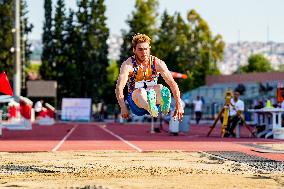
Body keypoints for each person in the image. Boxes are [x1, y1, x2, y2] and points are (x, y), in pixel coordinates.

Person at [115, 33, 184, 121]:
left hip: (154, 99)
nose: (144, 52)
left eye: (145, 49)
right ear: (134, 50)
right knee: (140, 91)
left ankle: (161, 106)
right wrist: (123, 106)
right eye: (140, 49)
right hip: (136, 104)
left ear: (149, 49)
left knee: (160, 87)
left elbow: (172, 83)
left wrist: (179, 104)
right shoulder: (128, 65)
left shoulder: (158, 63)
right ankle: (149, 107)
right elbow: (119, 87)